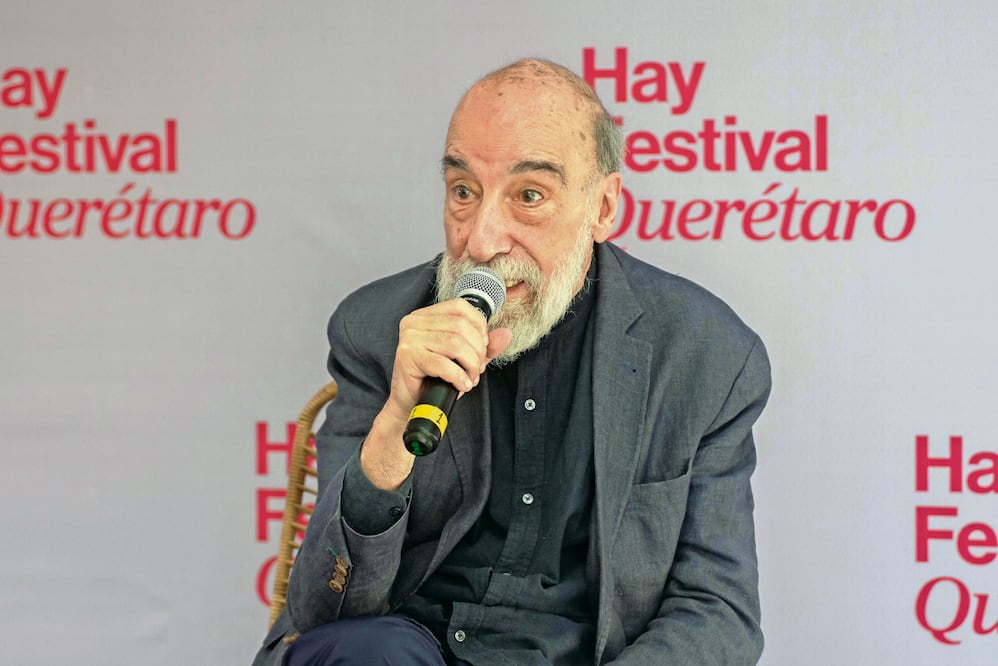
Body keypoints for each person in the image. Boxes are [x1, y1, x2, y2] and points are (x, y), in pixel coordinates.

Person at [253, 58, 771, 665]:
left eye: (529, 196)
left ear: (603, 208)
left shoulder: (705, 355)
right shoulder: (375, 329)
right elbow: (324, 613)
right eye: (464, 192)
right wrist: (393, 429)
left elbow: (717, 611)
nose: (481, 241)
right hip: (406, 648)